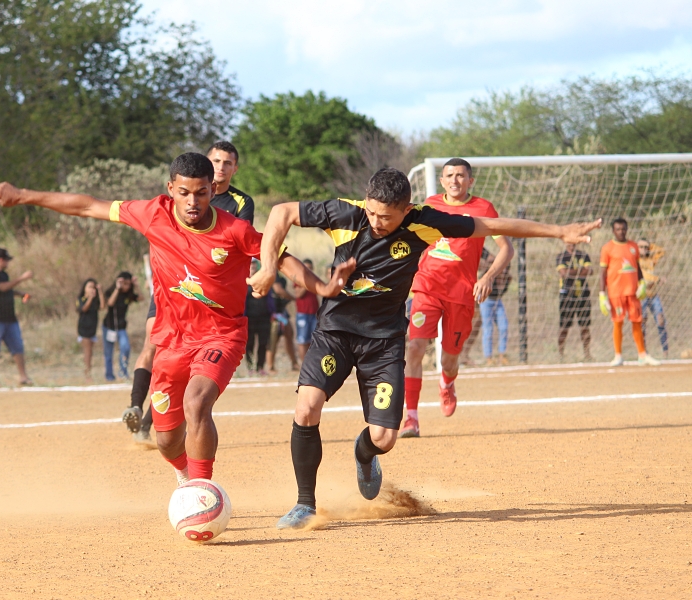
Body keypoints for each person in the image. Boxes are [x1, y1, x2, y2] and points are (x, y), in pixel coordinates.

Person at [249, 166, 600, 529]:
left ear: (406, 209)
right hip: (334, 333)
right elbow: (281, 213)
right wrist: (270, 266)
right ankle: (305, 503)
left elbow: (491, 227)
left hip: (383, 342)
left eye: (385, 216)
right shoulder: (345, 212)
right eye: (371, 211)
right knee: (307, 408)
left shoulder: (425, 223)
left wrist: (560, 231)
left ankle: (364, 452)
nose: (375, 221)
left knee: (385, 438)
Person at [0, 152, 344, 488]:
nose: (193, 202)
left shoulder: (234, 229)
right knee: (167, 441)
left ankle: (204, 489)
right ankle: (186, 477)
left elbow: (282, 257)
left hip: (221, 336)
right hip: (170, 342)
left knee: (197, 403)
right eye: (184, 192)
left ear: (213, 190)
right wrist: (22, 196)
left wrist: (323, 288)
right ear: (170, 189)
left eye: (202, 193)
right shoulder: (153, 214)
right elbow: (86, 205)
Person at [123, 141, 256, 444]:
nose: (221, 166)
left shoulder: (238, 205)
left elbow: (241, 243)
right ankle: (137, 403)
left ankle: (149, 420)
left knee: (191, 385)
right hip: (172, 290)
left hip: (207, 302)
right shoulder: (172, 202)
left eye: (227, 162)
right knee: (152, 343)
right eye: (217, 160)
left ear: (234, 169)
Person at [401, 158, 515, 439]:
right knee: (415, 348)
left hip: (462, 294)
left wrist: (487, 277)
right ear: (442, 181)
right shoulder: (428, 206)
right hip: (426, 288)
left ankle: (447, 382)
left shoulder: (483, 209)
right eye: (449, 175)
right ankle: (410, 418)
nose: (455, 180)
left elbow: (506, 249)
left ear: (470, 181)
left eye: (461, 176)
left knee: (450, 359)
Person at [599, 219, 660, 367]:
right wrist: (602, 294)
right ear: (613, 231)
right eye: (618, 229)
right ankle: (618, 355)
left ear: (627, 229)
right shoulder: (607, 248)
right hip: (616, 293)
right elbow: (602, 273)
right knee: (618, 323)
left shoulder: (633, 246)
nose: (621, 232)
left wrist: (642, 283)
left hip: (633, 292)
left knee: (637, 322)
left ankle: (642, 355)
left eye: (623, 229)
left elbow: (637, 267)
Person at [0, 248, 34, 386]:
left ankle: (23, 376)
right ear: (1, 260)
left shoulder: (4, 274)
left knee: (17, 346)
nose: (8, 263)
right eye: (6, 260)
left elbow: (8, 290)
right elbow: (2, 288)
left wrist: (20, 293)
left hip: (9, 317)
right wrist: (22, 278)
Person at [556, 243, 594, 362]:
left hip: (583, 294)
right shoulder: (561, 256)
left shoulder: (583, 255)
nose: (571, 244)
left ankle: (587, 354)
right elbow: (563, 274)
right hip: (567, 295)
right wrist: (581, 271)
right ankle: (561, 354)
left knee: (584, 326)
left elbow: (590, 271)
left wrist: (571, 272)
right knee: (564, 327)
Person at [102, 272, 139, 381]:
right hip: (109, 327)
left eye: (128, 284)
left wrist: (136, 286)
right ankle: (109, 376)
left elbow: (141, 298)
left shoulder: (128, 295)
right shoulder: (111, 291)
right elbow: (110, 303)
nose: (126, 287)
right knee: (108, 352)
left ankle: (123, 372)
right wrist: (117, 289)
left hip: (121, 328)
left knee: (125, 347)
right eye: (124, 284)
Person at [479, 249, 512, 366]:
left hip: (498, 302)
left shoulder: (507, 278)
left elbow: (502, 292)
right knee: (488, 329)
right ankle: (489, 358)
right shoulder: (489, 275)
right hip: (486, 302)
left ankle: (502, 355)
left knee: (504, 327)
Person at [638, 239, 669, 357]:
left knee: (661, 320)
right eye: (641, 247)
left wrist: (650, 245)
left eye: (646, 247)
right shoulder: (636, 261)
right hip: (642, 296)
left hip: (653, 294)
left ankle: (665, 350)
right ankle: (643, 350)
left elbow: (662, 252)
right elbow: (645, 275)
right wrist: (657, 279)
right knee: (642, 323)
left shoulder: (651, 260)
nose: (644, 249)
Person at [266, 273, 300, 373]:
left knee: (289, 334)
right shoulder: (272, 273)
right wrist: (293, 298)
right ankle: (270, 366)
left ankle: (294, 364)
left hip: (282, 310)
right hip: (273, 311)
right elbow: (278, 290)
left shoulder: (279, 274)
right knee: (273, 338)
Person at [245, 259, 274, 375]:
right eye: (250, 264)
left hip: (264, 317)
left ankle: (260, 367)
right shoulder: (243, 281)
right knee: (249, 343)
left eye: (253, 264)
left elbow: (270, 298)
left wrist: (273, 312)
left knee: (263, 343)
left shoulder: (262, 280)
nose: (252, 266)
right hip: (248, 318)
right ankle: (250, 367)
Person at [292, 259, 320, 363]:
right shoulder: (299, 279)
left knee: (313, 340)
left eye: (310, 268)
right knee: (302, 340)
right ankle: (303, 364)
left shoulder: (315, 279)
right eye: (306, 267)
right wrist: (306, 282)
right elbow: (298, 294)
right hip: (303, 314)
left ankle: (311, 364)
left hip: (314, 313)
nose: (309, 269)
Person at [77, 278, 103, 379]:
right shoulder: (81, 299)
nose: (92, 289)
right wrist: (90, 298)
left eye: (93, 287)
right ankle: (87, 375)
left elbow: (103, 305)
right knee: (87, 352)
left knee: (90, 352)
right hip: (84, 330)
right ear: (84, 288)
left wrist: (100, 291)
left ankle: (88, 372)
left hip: (93, 330)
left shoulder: (96, 301)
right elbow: (83, 309)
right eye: (89, 287)